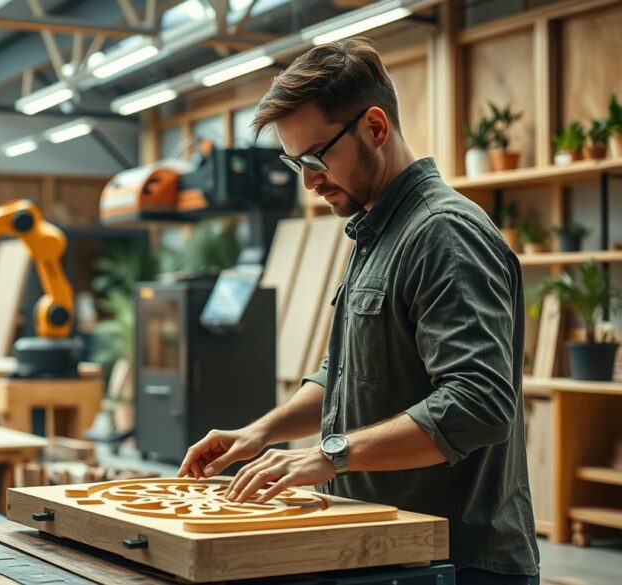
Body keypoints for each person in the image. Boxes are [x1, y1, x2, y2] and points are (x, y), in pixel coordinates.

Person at [177, 37, 539, 585]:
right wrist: (262, 431)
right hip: (381, 548)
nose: (309, 179)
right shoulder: (377, 232)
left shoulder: (443, 233)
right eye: (295, 161)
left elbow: (480, 403)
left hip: (454, 562)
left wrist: (330, 454)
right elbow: (349, 374)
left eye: (317, 157)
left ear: (375, 127)